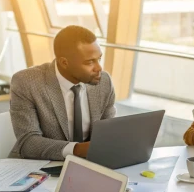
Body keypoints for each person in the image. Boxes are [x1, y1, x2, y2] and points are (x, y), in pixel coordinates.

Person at [10, 25, 116, 160]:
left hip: (90, 163)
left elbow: (108, 131)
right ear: (64, 62)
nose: (99, 68)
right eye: (90, 62)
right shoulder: (27, 82)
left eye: (99, 59)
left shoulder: (104, 81)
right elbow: (28, 143)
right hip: (42, 165)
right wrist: (77, 149)